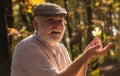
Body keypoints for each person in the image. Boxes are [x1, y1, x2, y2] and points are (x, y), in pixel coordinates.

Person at [11, 2, 112, 76]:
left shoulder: (61, 48)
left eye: (60, 21)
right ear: (36, 24)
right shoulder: (28, 47)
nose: (57, 25)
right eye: (50, 21)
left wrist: (86, 57)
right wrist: (85, 56)